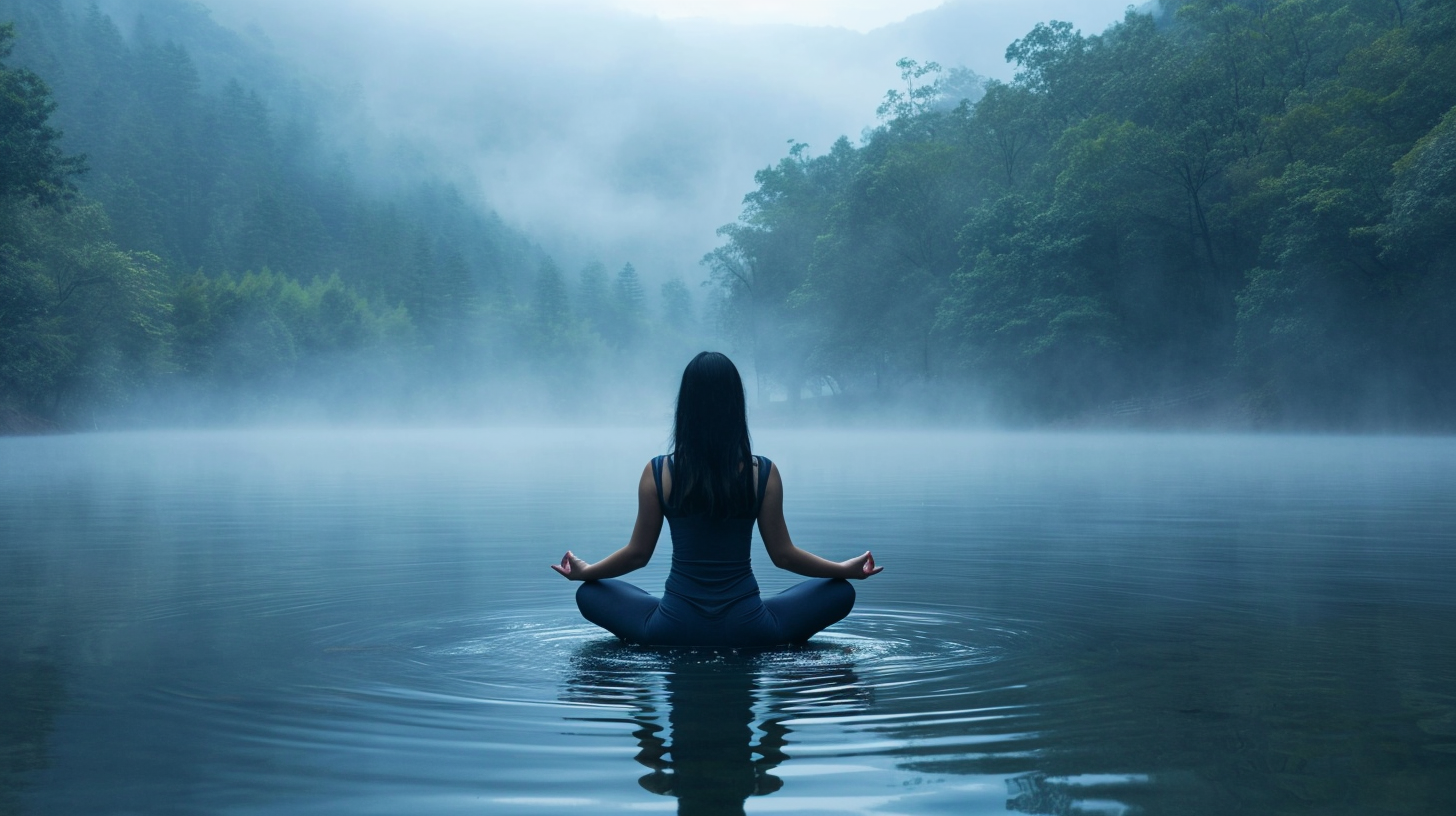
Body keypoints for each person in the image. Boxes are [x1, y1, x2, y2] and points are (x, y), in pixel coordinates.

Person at [551, 351, 883, 648]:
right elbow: (784, 556)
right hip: (751, 629)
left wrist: (587, 571)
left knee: (591, 591)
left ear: (686, 407)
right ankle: (777, 634)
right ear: (736, 406)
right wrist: (844, 569)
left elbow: (637, 555)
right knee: (840, 590)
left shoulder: (658, 472)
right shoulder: (762, 473)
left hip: (672, 629)